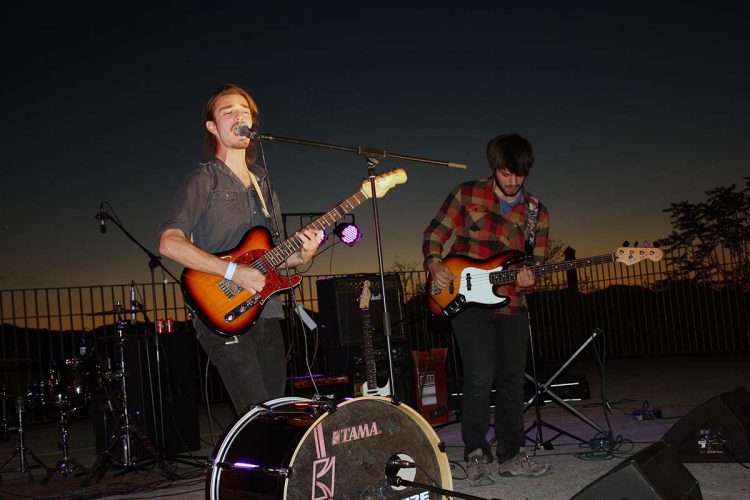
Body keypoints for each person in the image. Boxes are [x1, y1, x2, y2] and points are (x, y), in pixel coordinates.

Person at [158, 84, 321, 414]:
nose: (239, 116)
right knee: (254, 412)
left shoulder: (264, 186)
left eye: (244, 111)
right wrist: (233, 271)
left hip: (267, 309)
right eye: (228, 111)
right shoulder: (203, 180)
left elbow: (274, 257)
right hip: (222, 306)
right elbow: (169, 242)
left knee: (277, 409)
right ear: (212, 127)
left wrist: (304, 254)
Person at [422, 133, 551, 485]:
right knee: (479, 375)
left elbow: (535, 266)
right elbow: (435, 232)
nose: (513, 182)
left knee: (512, 381)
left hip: (512, 304)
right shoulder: (466, 194)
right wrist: (435, 265)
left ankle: (511, 454)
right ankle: (475, 452)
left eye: (519, 175)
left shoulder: (537, 213)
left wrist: (530, 281)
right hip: (464, 299)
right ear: (494, 168)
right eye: (507, 174)